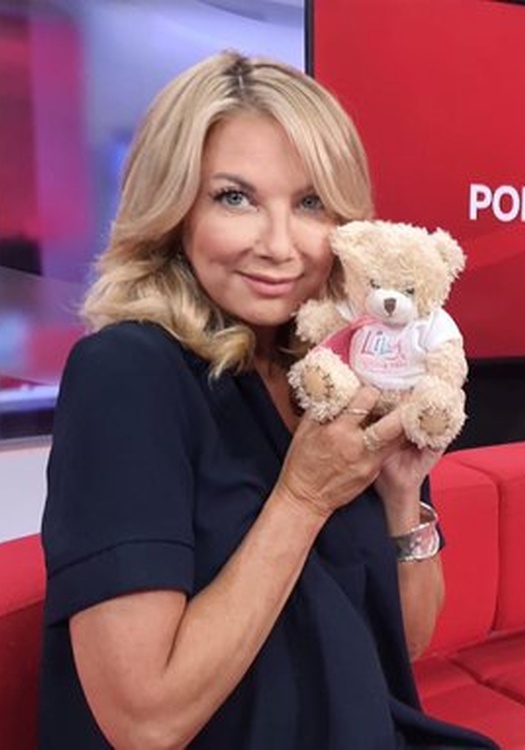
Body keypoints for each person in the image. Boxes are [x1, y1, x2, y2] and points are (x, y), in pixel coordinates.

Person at [38, 50, 498, 749]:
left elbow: (403, 645)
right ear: (173, 209)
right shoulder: (126, 373)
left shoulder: (332, 368)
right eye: (235, 197)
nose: (281, 246)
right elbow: (145, 722)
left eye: (310, 203)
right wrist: (303, 499)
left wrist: (403, 496)